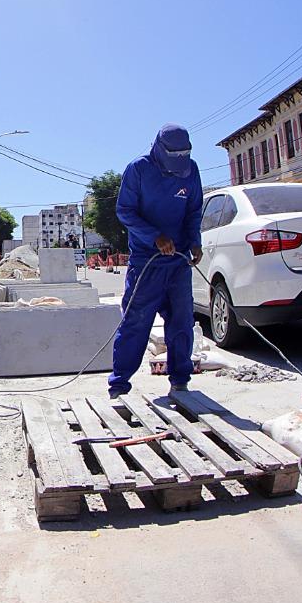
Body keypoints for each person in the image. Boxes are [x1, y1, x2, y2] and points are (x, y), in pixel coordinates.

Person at [107, 124, 203, 398]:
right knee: (136, 323)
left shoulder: (191, 170)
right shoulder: (138, 169)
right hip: (146, 262)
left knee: (182, 322)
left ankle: (180, 380)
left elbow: (194, 210)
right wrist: (154, 237)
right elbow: (125, 211)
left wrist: (194, 241)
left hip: (179, 263)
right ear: (160, 149)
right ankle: (119, 385)